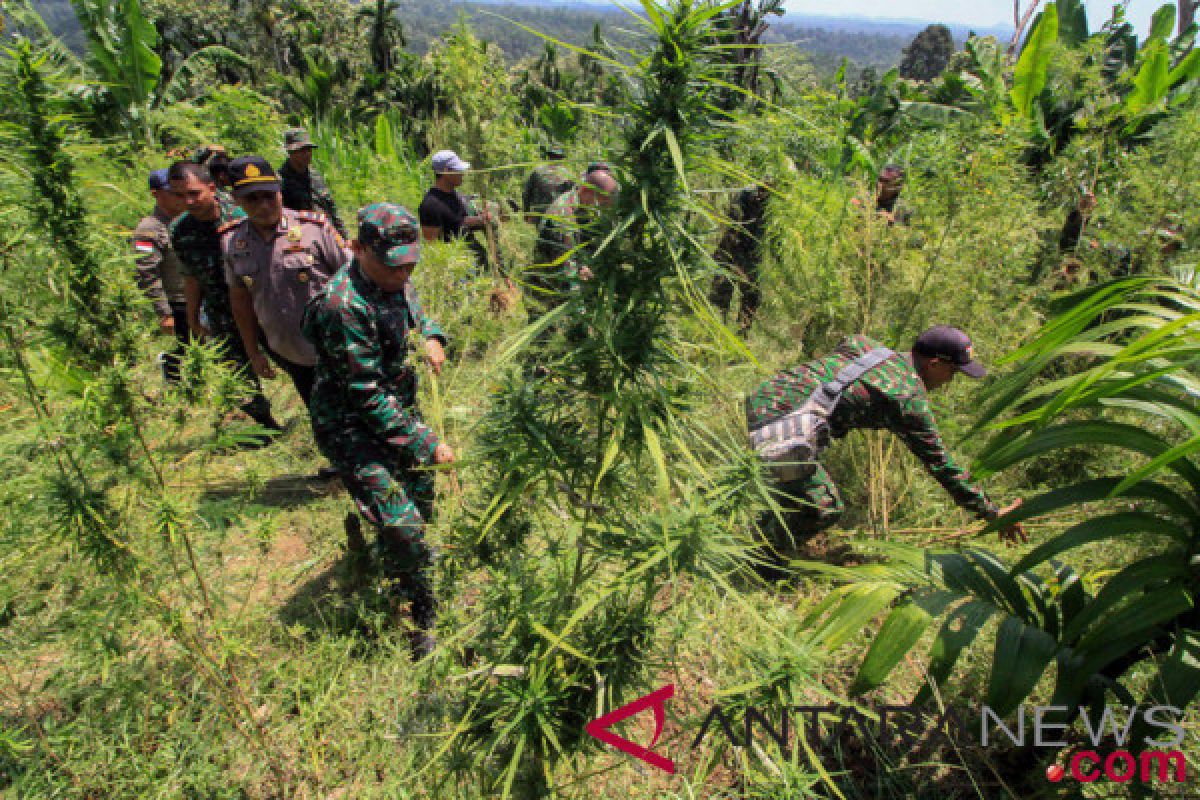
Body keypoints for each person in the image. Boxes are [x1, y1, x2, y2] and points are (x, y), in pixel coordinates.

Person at [302, 203, 452, 658]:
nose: (402, 276)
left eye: (409, 265)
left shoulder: (394, 277)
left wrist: (432, 337)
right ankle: (418, 609)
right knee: (400, 520)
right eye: (394, 266)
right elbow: (365, 396)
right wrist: (428, 442)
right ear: (359, 249)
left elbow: (416, 314)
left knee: (421, 502)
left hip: (397, 415)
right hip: (353, 427)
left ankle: (408, 565)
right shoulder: (341, 306)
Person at [745, 326, 1025, 557]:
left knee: (798, 490)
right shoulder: (906, 396)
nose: (950, 381)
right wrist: (992, 512)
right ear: (934, 364)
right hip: (782, 425)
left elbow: (847, 344)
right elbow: (941, 465)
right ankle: (761, 559)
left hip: (768, 398)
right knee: (823, 506)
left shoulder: (871, 349)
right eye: (952, 373)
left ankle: (758, 538)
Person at [221, 156, 348, 407]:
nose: (264, 205)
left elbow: (356, 278)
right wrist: (253, 352)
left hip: (337, 347)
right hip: (290, 351)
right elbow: (241, 301)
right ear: (236, 200)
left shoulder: (313, 229)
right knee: (320, 415)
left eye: (269, 195)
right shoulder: (232, 243)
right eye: (252, 199)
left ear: (279, 190)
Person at [168, 161, 281, 438]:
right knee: (238, 369)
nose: (189, 201)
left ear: (211, 188)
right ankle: (264, 427)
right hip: (221, 311)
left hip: (260, 302)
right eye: (181, 196)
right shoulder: (181, 231)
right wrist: (192, 316)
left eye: (194, 193)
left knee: (289, 357)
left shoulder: (241, 213)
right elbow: (191, 276)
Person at [527, 164, 619, 315]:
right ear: (588, 192)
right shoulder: (564, 218)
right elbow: (567, 271)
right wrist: (581, 314)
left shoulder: (578, 202)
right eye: (601, 204)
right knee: (545, 334)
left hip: (558, 282)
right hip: (548, 289)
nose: (600, 209)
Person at [132, 168, 189, 382]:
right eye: (172, 192)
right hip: (177, 301)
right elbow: (147, 274)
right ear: (156, 194)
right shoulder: (149, 229)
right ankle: (172, 372)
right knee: (187, 347)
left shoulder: (187, 219)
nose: (178, 196)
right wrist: (165, 312)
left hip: (197, 297)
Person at [709, 183, 769, 332]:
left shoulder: (775, 206)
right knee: (720, 295)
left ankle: (742, 333)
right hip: (732, 249)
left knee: (751, 297)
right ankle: (714, 332)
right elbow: (733, 222)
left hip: (752, 254)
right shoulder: (745, 194)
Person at [417, 150, 493, 267]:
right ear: (446, 172)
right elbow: (432, 246)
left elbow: (459, 223)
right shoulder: (430, 205)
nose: (462, 173)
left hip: (475, 262)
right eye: (458, 170)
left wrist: (480, 219)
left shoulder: (455, 195)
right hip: (458, 268)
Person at [278, 128, 348, 239]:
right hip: (299, 237)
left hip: (326, 233)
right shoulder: (281, 181)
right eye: (301, 151)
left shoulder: (315, 176)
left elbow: (330, 207)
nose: (307, 154)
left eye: (309, 150)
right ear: (290, 153)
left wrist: (343, 236)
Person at [521, 144, 574, 225]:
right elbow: (571, 199)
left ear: (549, 157)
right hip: (558, 216)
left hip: (538, 216)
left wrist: (526, 214)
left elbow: (527, 194)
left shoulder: (537, 171)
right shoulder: (567, 175)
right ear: (561, 158)